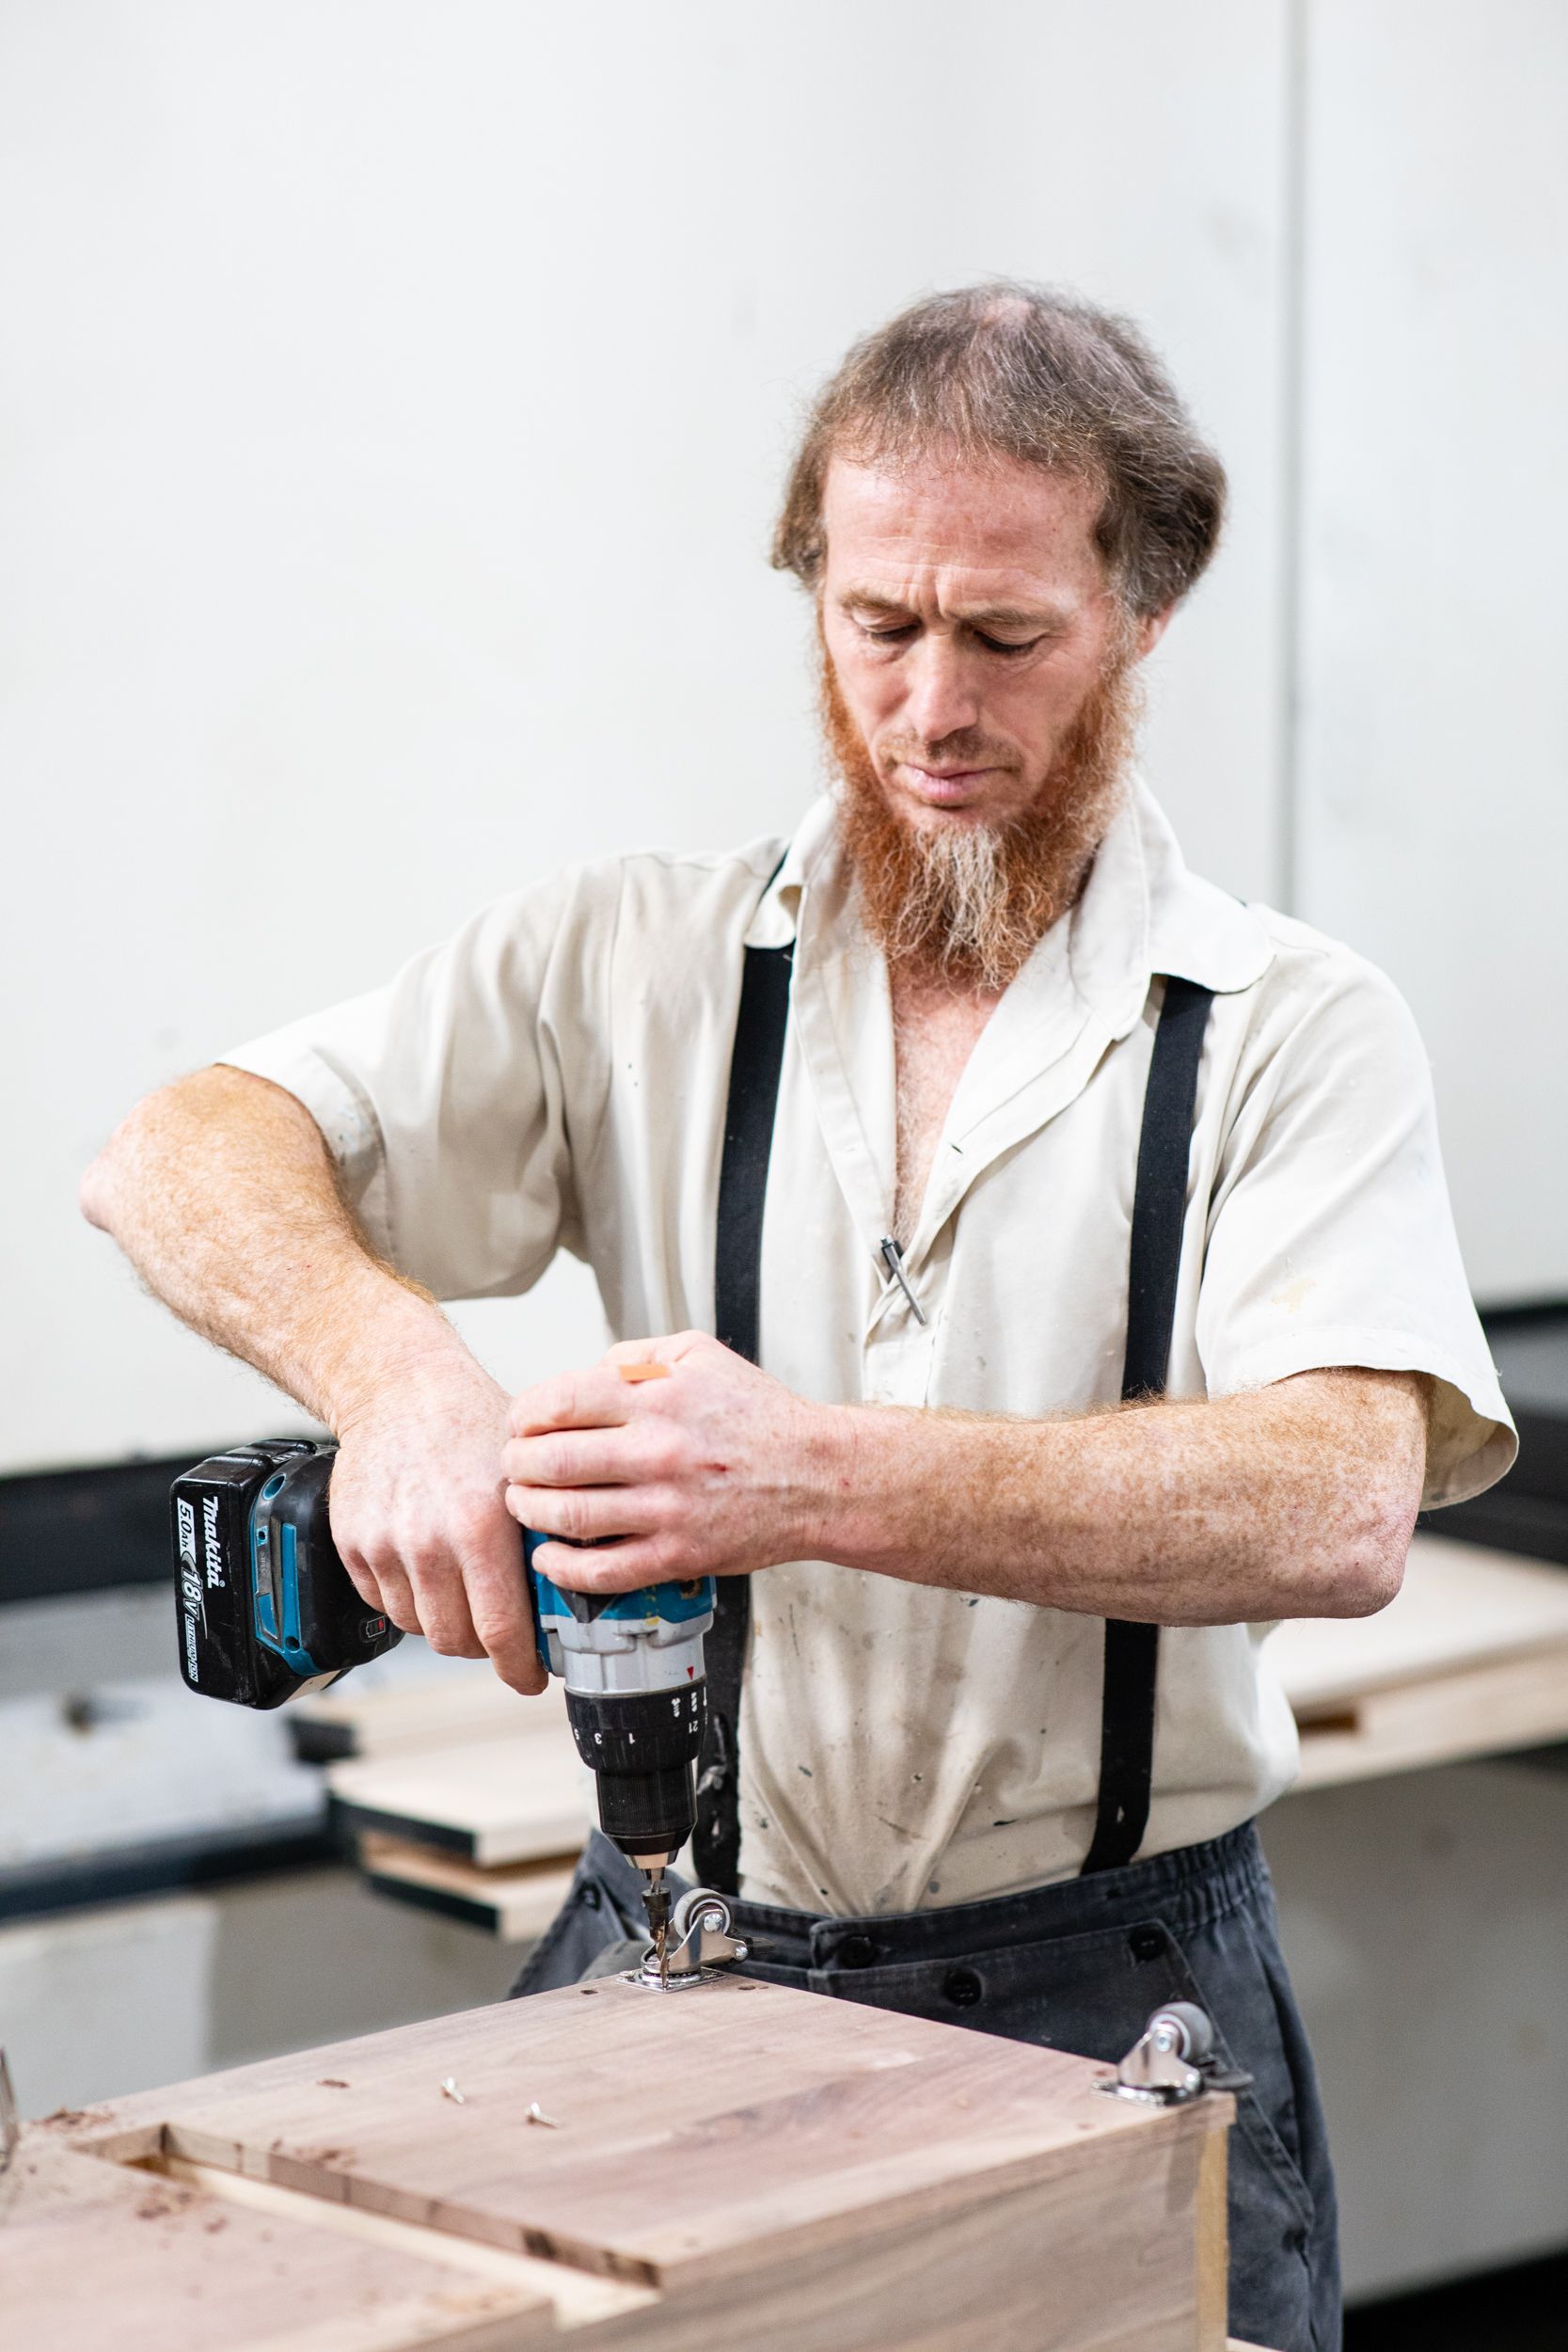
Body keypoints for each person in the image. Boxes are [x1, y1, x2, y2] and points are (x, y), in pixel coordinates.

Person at [82, 283, 1513, 2352]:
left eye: (1007, 636)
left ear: (1139, 611)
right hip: (678, 1930)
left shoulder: (1286, 1029)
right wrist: (396, 1377)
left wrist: (808, 1472)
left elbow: (1339, 1498)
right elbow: (177, 1148)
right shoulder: (631, 960)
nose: (934, 703)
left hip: (1106, 1988)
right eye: (876, 625)